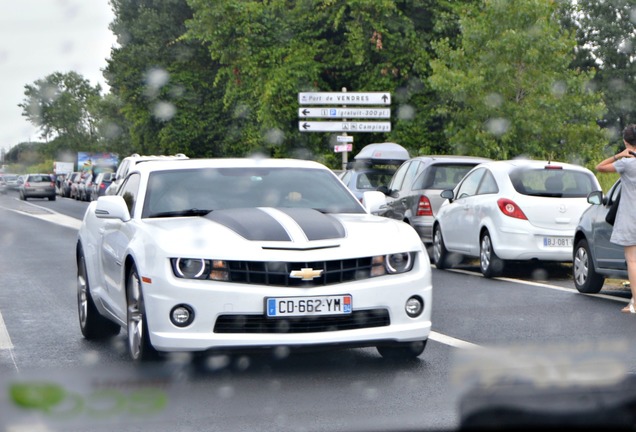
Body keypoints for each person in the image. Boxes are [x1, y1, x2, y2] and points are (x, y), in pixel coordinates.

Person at [596, 124, 636, 313]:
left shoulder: (626, 164)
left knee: (633, 261)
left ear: (625, 142)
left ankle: (635, 303)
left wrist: (619, 155)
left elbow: (600, 167)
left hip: (631, 218)